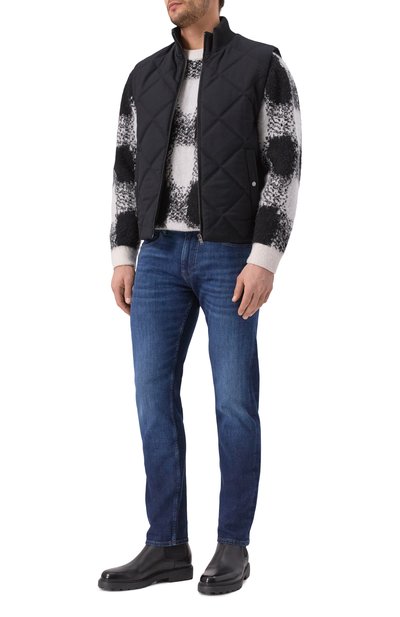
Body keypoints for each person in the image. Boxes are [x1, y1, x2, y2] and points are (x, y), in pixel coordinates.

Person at [98, 0, 302, 595]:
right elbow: (125, 168)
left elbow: (285, 163)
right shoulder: (143, 74)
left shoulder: (263, 65)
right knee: (152, 400)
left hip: (229, 255)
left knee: (234, 401)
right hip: (158, 255)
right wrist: (123, 253)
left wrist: (264, 256)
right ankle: (166, 544)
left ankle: (232, 544)